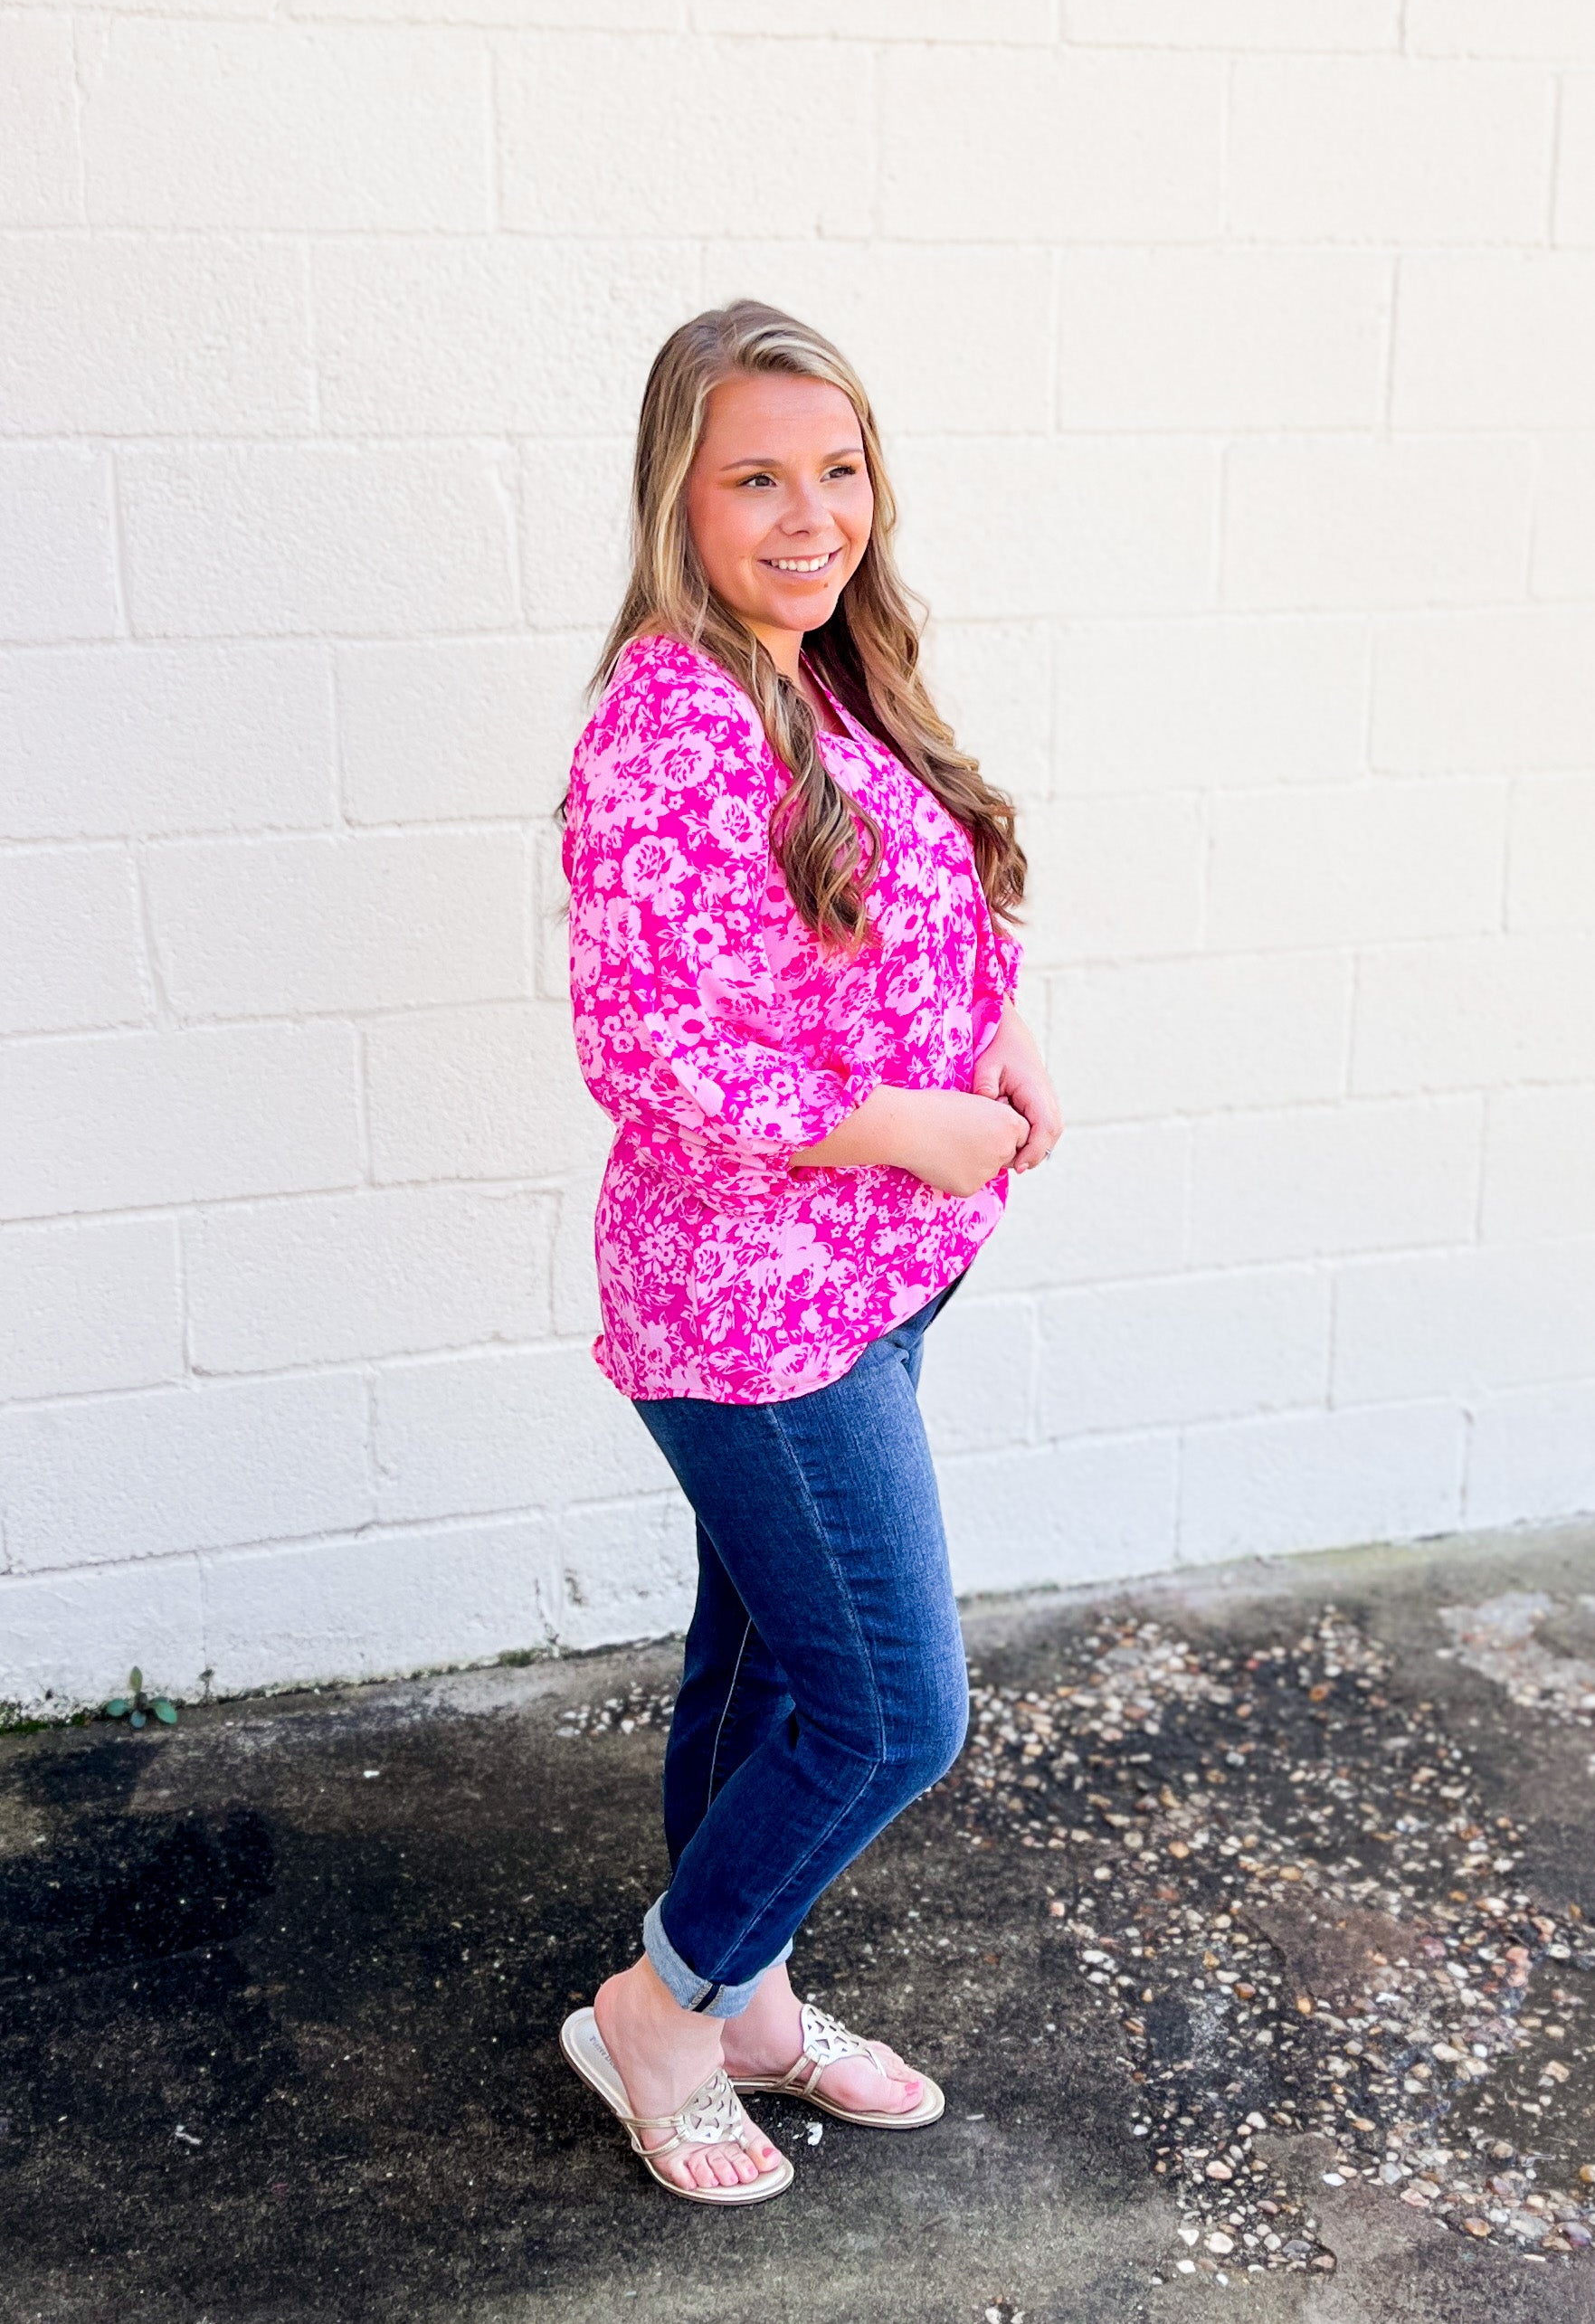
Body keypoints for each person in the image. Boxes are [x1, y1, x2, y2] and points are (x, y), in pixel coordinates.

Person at [557, 300, 1062, 2204]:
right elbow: (649, 1044)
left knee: (767, 1670)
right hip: (750, 1306)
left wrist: (999, 1033)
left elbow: (921, 907)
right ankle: (660, 2012)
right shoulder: (673, 715)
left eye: (835, 467)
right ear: (676, 497)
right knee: (891, 1706)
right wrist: (892, 1123)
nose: (806, 513)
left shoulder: (830, 674)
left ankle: (749, 1997)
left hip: (873, 1271)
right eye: (754, 475)